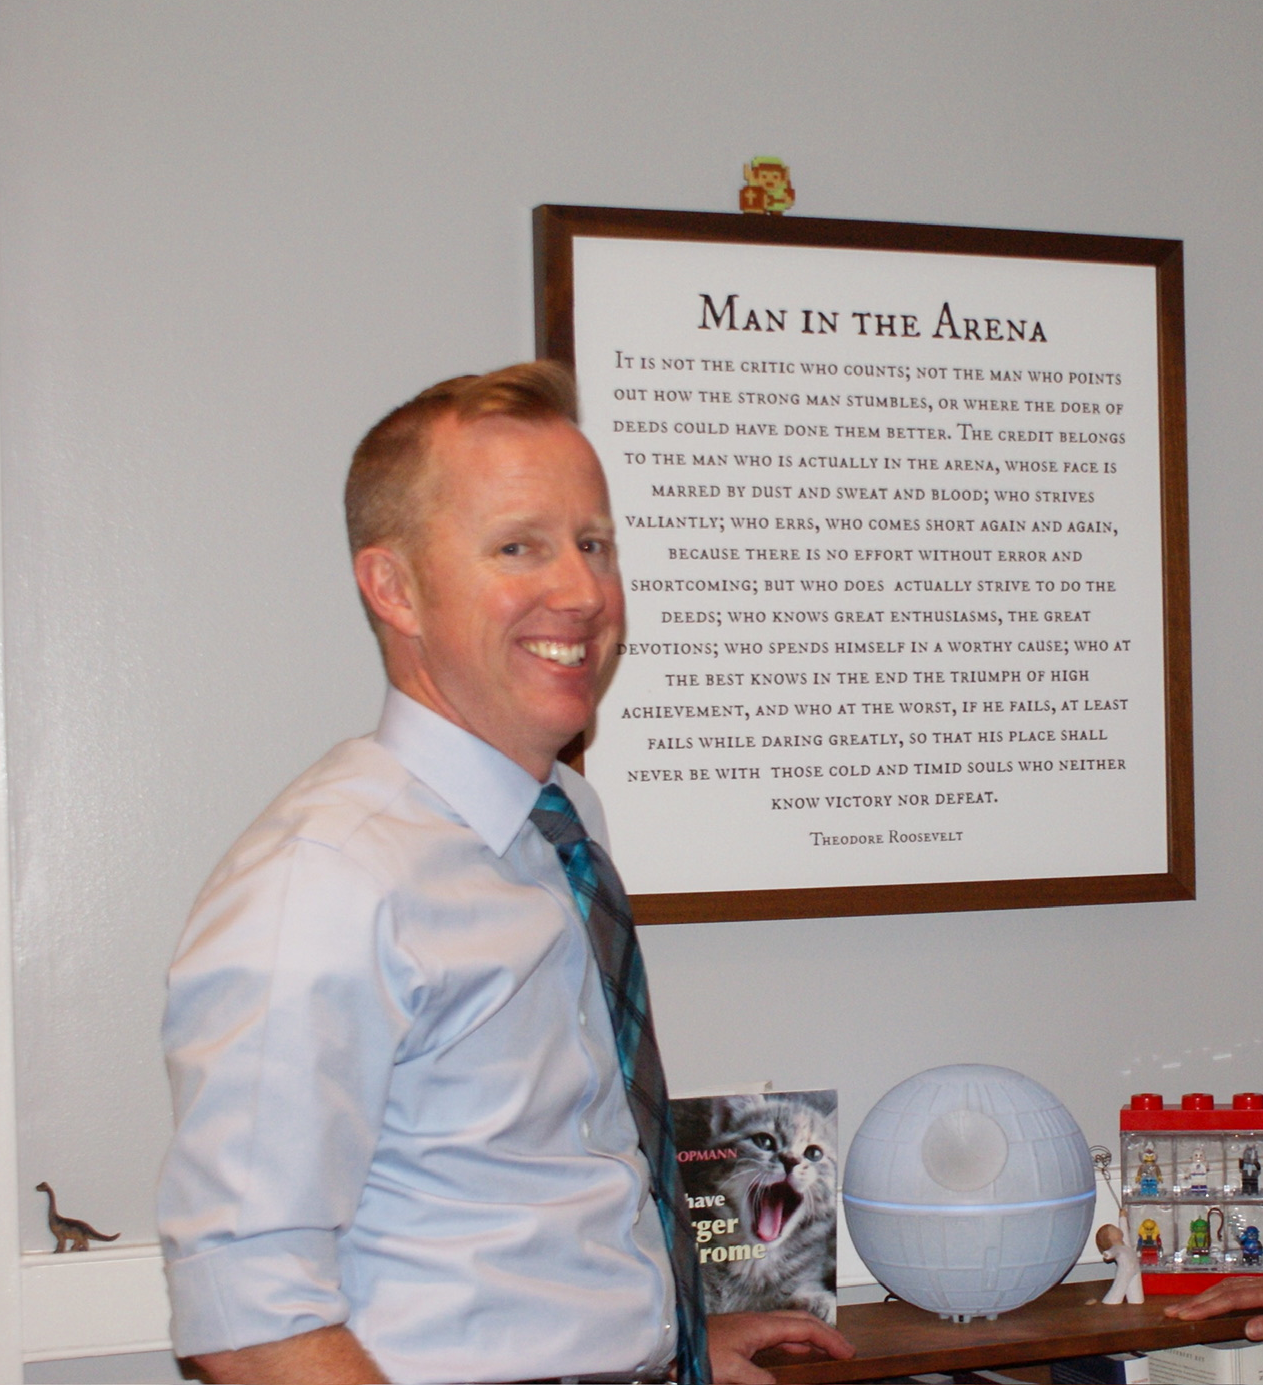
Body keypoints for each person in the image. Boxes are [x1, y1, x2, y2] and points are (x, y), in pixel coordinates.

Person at [157, 362, 853, 1385]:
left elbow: (528, 1187)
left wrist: (667, 1341)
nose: (581, 591)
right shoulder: (325, 880)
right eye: (518, 546)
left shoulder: (561, 822)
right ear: (394, 587)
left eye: (593, 543)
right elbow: (249, 1322)